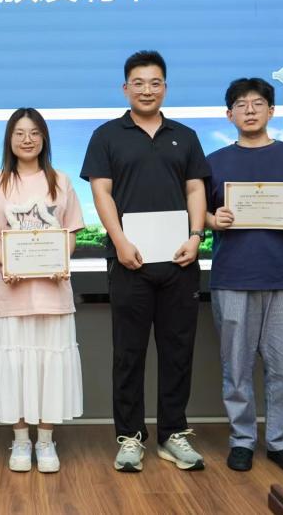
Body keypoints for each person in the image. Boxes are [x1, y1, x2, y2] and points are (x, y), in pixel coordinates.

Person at [80, 50, 210, 473]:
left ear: (165, 88)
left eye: (155, 83)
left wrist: (196, 237)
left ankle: (173, 434)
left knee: (177, 351)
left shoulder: (185, 136)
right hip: (128, 261)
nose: (147, 90)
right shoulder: (106, 135)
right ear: (125, 88)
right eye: (138, 83)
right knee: (129, 353)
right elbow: (101, 192)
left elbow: (195, 189)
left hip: (179, 261)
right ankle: (130, 437)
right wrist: (119, 241)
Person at [204, 77, 283, 474]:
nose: (250, 110)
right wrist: (214, 219)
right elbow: (198, 212)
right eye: (241, 105)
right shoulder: (213, 162)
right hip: (232, 277)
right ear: (228, 114)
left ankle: (282, 443)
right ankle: (242, 440)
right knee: (236, 368)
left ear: (271, 110)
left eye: (258, 103)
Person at [0, 108, 84, 473]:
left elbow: (70, 231)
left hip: (53, 292)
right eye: (20, 133)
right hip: (12, 293)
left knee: (49, 364)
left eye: (34, 132)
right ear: (9, 139)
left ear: (44, 138)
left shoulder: (61, 181)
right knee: (16, 366)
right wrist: (10, 263)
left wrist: (59, 260)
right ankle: (21, 441)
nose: (27, 139)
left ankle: (46, 441)